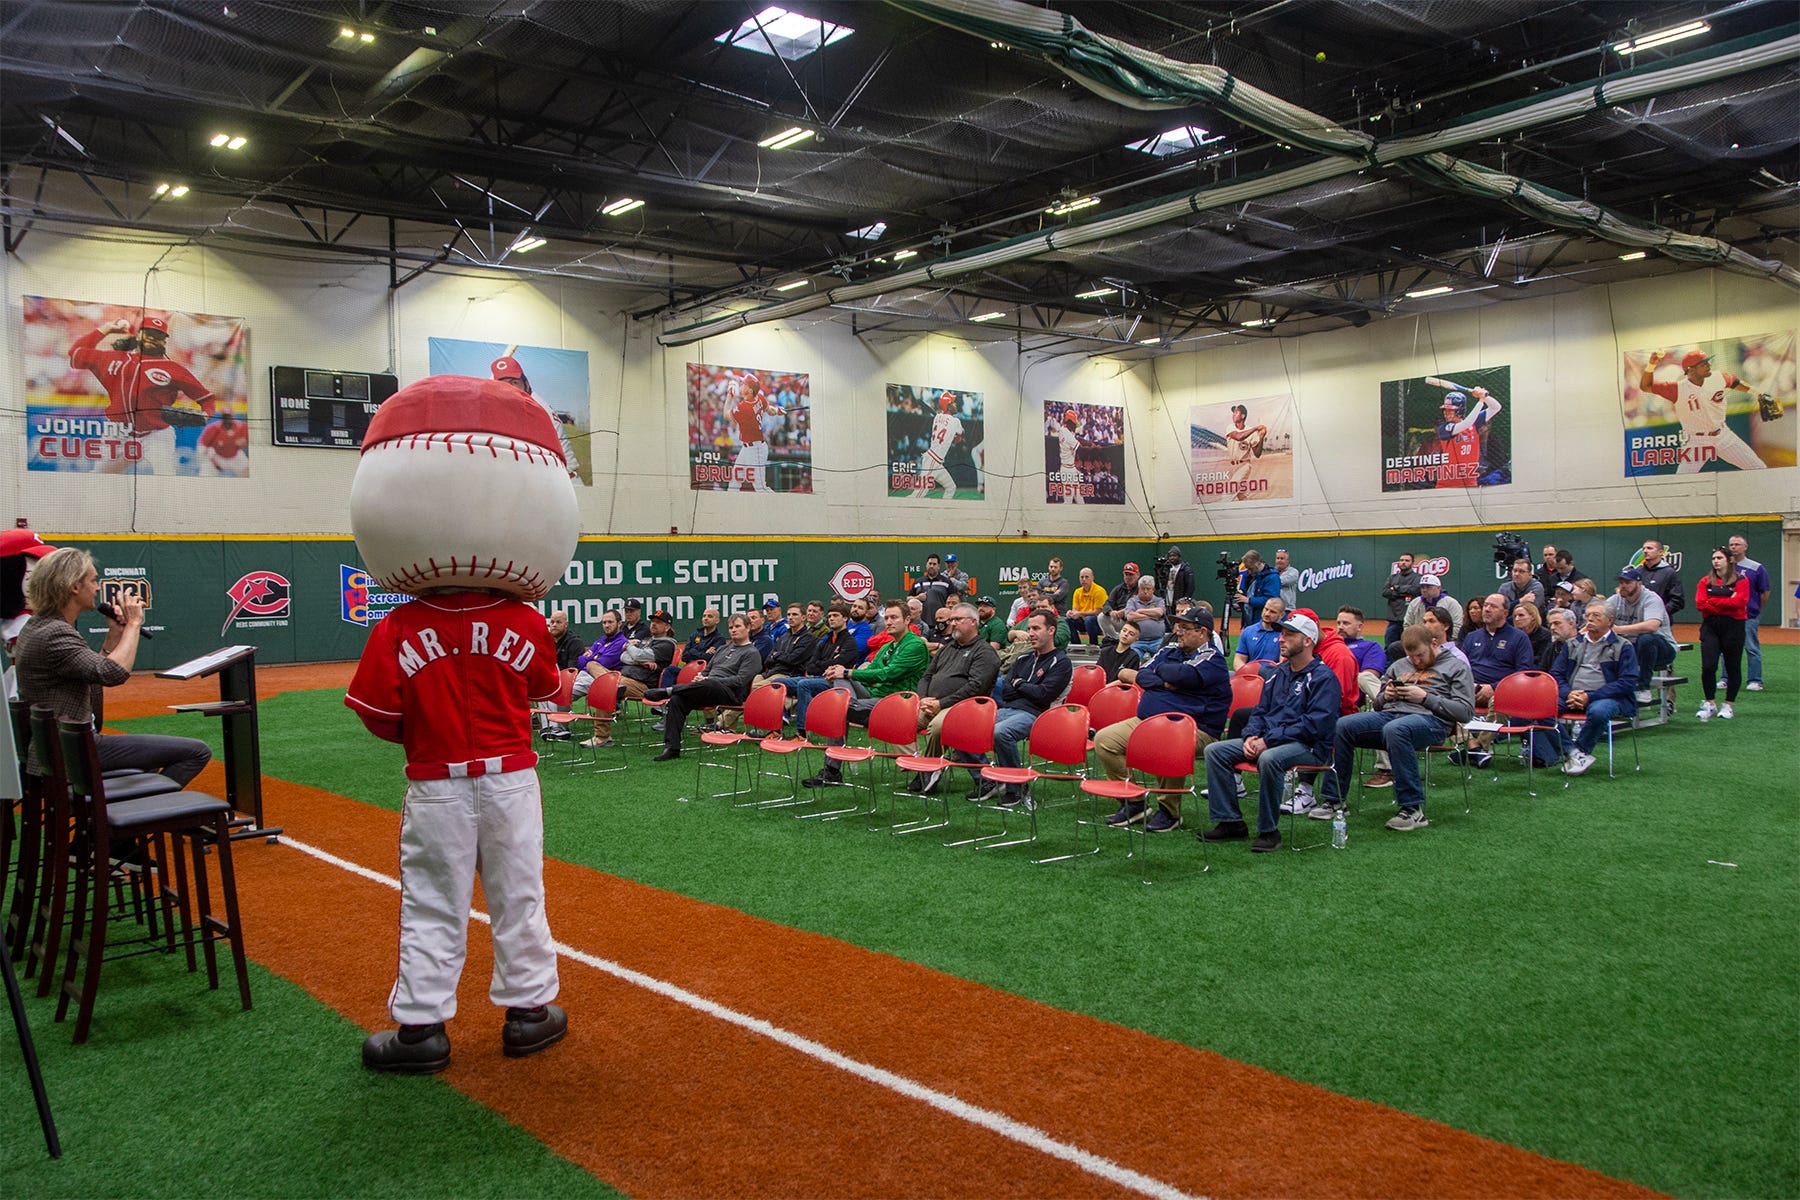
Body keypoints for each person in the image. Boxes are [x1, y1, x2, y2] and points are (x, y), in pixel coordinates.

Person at [14, 546, 212, 786]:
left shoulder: (39, 626)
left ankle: (139, 817)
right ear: (74, 587)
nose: (98, 587)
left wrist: (115, 633)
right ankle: (142, 819)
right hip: (72, 751)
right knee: (197, 751)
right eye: (93, 581)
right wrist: (134, 624)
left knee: (147, 761)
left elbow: (93, 670)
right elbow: (113, 673)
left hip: (58, 747)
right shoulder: (56, 633)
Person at [1201, 613, 1340, 853]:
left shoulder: (1323, 677)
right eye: (1282, 633)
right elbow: (1260, 711)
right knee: (1215, 751)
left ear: (1308, 641)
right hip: (1270, 740)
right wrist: (1251, 737)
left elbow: (1313, 725)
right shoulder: (1277, 672)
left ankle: (1269, 831)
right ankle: (1230, 822)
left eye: (1289, 634)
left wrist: (1267, 741)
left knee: (1269, 758)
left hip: (1310, 747)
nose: (1281, 639)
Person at [1316, 626, 1475, 830]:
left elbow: (1465, 712)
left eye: (1420, 655)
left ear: (1434, 644)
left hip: (1431, 721)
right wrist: (1386, 696)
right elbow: (1378, 704)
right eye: (1411, 657)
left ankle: (1412, 809)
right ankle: (1334, 800)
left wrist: (1426, 698)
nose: (1416, 662)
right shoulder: (1400, 665)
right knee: (1343, 725)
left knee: (1397, 729)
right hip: (1390, 715)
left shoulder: (1457, 667)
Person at [1096, 606, 1230, 833]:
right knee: (1104, 740)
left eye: (1185, 628)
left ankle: (1169, 811)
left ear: (1202, 632)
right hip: (1148, 721)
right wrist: (1164, 680)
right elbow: (1141, 672)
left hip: (1196, 729)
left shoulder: (1212, 658)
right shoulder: (1170, 650)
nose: (1178, 631)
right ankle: (1134, 803)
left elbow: (1180, 675)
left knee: (1165, 741)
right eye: (1178, 626)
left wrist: (1164, 675)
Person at [68, 314, 218, 475]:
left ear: (164, 342)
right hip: (118, 433)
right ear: (138, 334)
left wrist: (205, 415)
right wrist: (107, 329)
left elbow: (206, 399)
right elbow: (75, 353)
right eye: (149, 333)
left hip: (156, 434)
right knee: (100, 477)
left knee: (166, 476)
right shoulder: (112, 358)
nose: (153, 338)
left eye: (158, 336)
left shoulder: (172, 369)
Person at [800, 601, 930, 787]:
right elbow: (870, 676)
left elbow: (887, 674)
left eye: (894, 618)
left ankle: (832, 770)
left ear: (908, 620)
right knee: (839, 677)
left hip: (898, 703)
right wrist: (841, 672)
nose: (889, 622)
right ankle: (832, 770)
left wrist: (847, 672)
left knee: (840, 702)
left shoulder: (915, 645)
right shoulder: (888, 647)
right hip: (874, 698)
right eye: (887, 618)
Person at [648, 613, 762, 761]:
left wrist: (708, 680)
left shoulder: (752, 653)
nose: (733, 630)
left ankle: (669, 690)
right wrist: (701, 676)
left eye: (738, 626)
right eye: (731, 627)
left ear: (748, 628)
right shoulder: (722, 649)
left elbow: (740, 681)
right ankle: (672, 748)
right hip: (707, 689)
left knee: (711, 682)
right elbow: (707, 670)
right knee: (677, 700)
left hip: (731, 695)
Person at [1639, 350, 1768, 473]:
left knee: (1759, 467)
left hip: (1723, 435)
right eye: (1703, 363)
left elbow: (1735, 383)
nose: (1708, 365)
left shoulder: (1718, 377)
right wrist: (1651, 365)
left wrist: (1758, 394)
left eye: (1707, 361)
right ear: (1691, 370)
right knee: (1683, 480)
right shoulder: (1677, 389)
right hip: (1697, 442)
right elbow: (1646, 386)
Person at [1547, 605, 1639, 777]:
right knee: (1541, 710)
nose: (1590, 619)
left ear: (1610, 620)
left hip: (1606, 697)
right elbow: (1555, 674)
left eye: (1596, 616)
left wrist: (1590, 696)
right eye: (1587, 615)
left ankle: (1581, 751)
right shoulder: (1573, 644)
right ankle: (1573, 753)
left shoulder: (1622, 646)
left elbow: (1628, 682)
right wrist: (1569, 693)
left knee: (1599, 712)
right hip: (1572, 695)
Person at [1448, 593, 1535, 768]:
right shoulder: (1472, 637)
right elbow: (1460, 667)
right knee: (1442, 703)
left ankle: (1479, 746)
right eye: (1486, 605)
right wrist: (1470, 686)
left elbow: (1523, 673)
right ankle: (1474, 748)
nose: (1486, 609)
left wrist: (1494, 688)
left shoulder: (1519, 638)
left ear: (1505, 612)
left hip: (1502, 691)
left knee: (1500, 701)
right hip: (1471, 689)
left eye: (1493, 606)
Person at [491, 357, 578, 479]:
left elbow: (564, 453)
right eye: (503, 385)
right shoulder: (515, 404)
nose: (510, 389)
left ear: (526, 383)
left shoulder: (538, 407)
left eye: (514, 382)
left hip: (565, 477)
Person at [1694, 547, 1749, 720]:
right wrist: (1727, 599)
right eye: (1714, 558)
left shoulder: (1741, 580)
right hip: (1711, 626)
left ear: (1729, 560)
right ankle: (1710, 703)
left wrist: (1714, 601)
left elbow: (1740, 602)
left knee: (1733, 666)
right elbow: (1700, 603)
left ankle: (1728, 704)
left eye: (1719, 558)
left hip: (1734, 627)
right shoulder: (1705, 581)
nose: (1716, 561)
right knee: (1708, 666)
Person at [1607, 567, 1678, 698]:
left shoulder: (1651, 598)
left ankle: (1643, 688)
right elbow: (1599, 616)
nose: (1623, 586)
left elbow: (1652, 626)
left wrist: (1619, 630)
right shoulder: (1615, 599)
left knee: (1646, 638)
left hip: (1662, 649)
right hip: (1632, 647)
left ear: (1639, 584)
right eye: (1621, 583)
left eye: (1628, 583)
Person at [1725, 534, 1771, 691]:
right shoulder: (1724, 566)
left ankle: (1755, 680)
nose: (1734, 547)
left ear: (1745, 547)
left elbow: (1765, 591)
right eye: (1731, 544)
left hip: (1748, 614)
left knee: (1751, 647)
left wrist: (1756, 608)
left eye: (1737, 544)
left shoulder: (1756, 568)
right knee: (1727, 647)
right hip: (1727, 614)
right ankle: (1726, 678)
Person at [1432, 387, 1503, 488]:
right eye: (1445, 409)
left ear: (1460, 411)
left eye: (1450, 410)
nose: (1446, 412)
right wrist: (1480, 402)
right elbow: (1466, 424)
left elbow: (1496, 407)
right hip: (1447, 484)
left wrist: (1484, 396)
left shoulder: (1473, 423)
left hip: (1470, 482)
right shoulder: (1444, 428)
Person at [728, 371, 779, 492]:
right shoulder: (759, 397)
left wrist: (729, 398)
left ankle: (779, 506)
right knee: (734, 483)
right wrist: (777, 410)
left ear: (750, 390)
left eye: (743, 384)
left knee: (760, 487)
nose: (741, 385)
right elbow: (770, 411)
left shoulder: (744, 407)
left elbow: (726, 415)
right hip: (747, 449)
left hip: (755, 448)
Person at [912, 390, 965, 498]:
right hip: (933, 461)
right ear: (948, 406)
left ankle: (943, 512)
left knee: (951, 487)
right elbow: (962, 432)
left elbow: (951, 435)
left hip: (936, 462)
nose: (956, 404)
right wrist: (958, 436)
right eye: (953, 403)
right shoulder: (956, 421)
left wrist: (954, 436)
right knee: (917, 495)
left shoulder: (937, 417)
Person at [1379, 552, 1423, 645]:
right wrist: (1405, 592)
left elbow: (1415, 590)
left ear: (1412, 563)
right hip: (1394, 619)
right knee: (1389, 646)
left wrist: (1397, 588)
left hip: (1410, 620)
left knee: (1410, 645)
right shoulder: (1392, 578)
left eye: (1407, 560)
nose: (1403, 562)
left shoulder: (1417, 577)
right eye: (1401, 560)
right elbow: (1385, 592)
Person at [1636, 540, 1684, 619]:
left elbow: (1677, 600)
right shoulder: (1638, 571)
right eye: (1643, 548)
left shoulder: (1669, 572)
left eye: (1649, 548)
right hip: (1637, 620)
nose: (1645, 551)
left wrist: (1659, 612)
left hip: (1660, 622)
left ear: (1660, 552)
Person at [1233, 595, 1285, 668]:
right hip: (1249, 675)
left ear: (1281, 615)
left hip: (1273, 676)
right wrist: (1244, 672)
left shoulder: (1285, 634)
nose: (1267, 614)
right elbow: (1239, 659)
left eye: (1272, 612)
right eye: (1266, 609)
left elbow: (1283, 663)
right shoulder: (1248, 631)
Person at [1403, 575, 1462, 640]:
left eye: (1428, 587)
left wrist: (1446, 639)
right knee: (1395, 647)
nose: (1424, 590)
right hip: (1419, 641)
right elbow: (1407, 625)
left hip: (1444, 640)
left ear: (1438, 588)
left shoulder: (1451, 603)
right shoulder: (1415, 603)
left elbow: (1457, 626)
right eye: (1422, 587)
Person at [1095, 562, 1142, 641]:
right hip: (1120, 620)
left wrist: (1125, 611)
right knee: (1101, 616)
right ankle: (1116, 639)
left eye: (1131, 575)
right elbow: (1107, 604)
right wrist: (1111, 612)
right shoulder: (1118, 589)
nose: (1128, 577)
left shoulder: (1141, 588)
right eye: (1126, 574)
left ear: (1138, 575)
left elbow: (1141, 605)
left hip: (1135, 622)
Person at [1233, 550, 1281, 626]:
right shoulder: (1250, 576)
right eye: (1247, 568)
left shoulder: (1272, 577)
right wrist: (1242, 605)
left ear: (1258, 563)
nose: (1249, 571)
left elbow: (1272, 601)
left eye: (1250, 568)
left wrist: (1249, 601)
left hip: (1263, 621)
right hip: (1249, 620)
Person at [1049, 408, 1086, 504]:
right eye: (1073, 423)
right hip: (1066, 469)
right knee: (1068, 501)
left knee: (1079, 499)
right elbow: (1081, 448)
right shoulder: (1066, 433)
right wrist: (1094, 447)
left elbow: (1078, 439)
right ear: (1068, 422)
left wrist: (1091, 443)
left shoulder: (1065, 429)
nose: (1074, 425)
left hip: (1071, 469)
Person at [197, 410, 250, 477]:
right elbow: (202, 446)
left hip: (235, 456)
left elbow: (252, 441)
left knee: (248, 471)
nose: (227, 420)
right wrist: (211, 459)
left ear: (232, 417)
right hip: (218, 457)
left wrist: (245, 443)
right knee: (205, 472)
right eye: (225, 417)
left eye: (229, 417)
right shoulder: (213, 428)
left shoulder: (242, 427)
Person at [1065, 567, 1107, 645]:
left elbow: (1097, 612)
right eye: (1082, 577)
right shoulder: (1077, 592)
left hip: (1097, 623)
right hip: (1083, 622)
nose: (1084, 579)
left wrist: (1080, 613)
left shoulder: (1099, 591)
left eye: (1086, 577)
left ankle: (1093, 645)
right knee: (1067, 619)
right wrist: (1071, 613)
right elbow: (1075, 610)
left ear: (1092, 578)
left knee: (1089, 620)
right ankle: (1076, 645)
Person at [1122, 575, 1166, 645]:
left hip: (1157, 641)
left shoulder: (1159, 600)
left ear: (1153, 590)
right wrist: (1152, 616)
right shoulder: (1132, 601)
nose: (1145, 591)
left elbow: (1159, 613)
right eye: (1143, 589)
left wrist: (1139, 611)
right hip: (1137, 641)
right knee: (1133, 655)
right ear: (1139, 589)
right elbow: (1130, 617)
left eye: (1148, 589)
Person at [1098, 619, 1143, 684]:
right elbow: (1099, 671)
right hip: (1101, 686)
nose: (1126, 634)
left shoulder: (1134, 657)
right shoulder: (1105, 651)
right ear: (1120, 631)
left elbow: (1127, 680)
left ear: (1136, 640)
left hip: (1119, 691)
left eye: (1131, 634)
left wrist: (1106, 688)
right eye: (1124, 630)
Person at [909, 554, 952, 622]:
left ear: (938, 566)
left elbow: (952, 600)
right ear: (926, 565)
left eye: (934, 564)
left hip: (940, 621)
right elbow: (908, 598)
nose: (932, 566)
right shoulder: (918, 582)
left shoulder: (946, 582)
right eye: (930, 563)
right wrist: (917, 598)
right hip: (921, 622)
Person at [1512, 601, 1551, 666]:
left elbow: (1541, 659)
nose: (1517, 619)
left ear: (1533, 616)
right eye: (1515, 616)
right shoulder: (1513, 635)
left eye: (1521, 615)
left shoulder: (1545, 635)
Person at [1540, 606, 1577, 672]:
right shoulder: (1552, 648)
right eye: (1550, 624)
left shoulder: (1584, 645)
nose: (1552, 628)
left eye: (1557, 623)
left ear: (1571, 624)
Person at [1159, 547, 1194, 611]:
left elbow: (1190, 587)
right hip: (1167, 598)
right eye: (1170, 556)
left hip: (1179, 600)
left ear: (1179, 556)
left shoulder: (1185, 569)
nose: (1172, 558)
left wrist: (1185, 601)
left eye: (1174, 556)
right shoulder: (1166, 568)